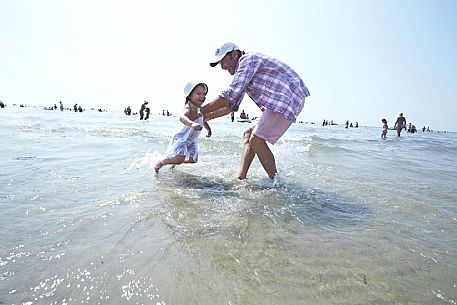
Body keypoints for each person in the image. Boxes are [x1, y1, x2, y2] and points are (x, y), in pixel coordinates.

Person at [201, 42, 310, 180]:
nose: (222, 67)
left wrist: (200, 110)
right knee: (249, 134)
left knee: (257, 139)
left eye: (223, 61)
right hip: (281, 100)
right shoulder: (244, 73)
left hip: (288, 97)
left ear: (234, 55)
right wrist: (207, 116)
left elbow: (230, 95)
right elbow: (232, 106)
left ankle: (276, 183)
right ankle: (241, 177)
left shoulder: (248, 60)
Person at [154, 81, 212, 174]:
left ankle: (175, 160)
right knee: (181, 158)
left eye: (204, 94)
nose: (202, 96)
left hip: (191, 139)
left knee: (193, 159)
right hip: (182, 137)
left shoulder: (200, 109)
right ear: (189, 96)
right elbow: (182, 117)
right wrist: (191, 124)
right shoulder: (189, 107)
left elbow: (203, 119)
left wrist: (208, 129)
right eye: (198, 93)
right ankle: (162, 162)